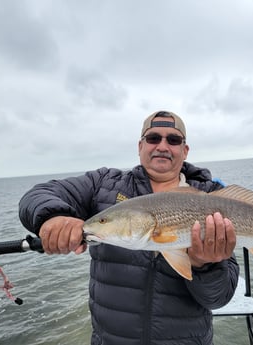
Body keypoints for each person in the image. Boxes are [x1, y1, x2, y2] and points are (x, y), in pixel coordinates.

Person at [19, 110, 239, 345]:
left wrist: (205, 266)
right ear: (140, 145)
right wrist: (54, 216)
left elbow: (218, 299)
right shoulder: (103, 184)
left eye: (173, 140)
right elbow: (39, 194)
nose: (162, 146)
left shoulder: (213, 198)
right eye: (153, 138)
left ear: (185, 150)